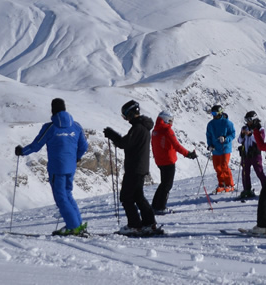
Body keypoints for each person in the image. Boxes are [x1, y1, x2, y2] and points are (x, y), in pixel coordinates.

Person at [15, 98, 89, 236]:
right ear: (65, 109)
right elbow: (84, 146)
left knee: (61, 197)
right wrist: (76, 157)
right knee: (68, 194)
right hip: (71, 167)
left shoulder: (50, 127)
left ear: (52, 110)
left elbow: (36, 145)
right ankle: (77, 225)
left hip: (57, 168)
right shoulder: (76, 126)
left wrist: (22, 151)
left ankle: (73, 227)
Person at [103, 100, 160, 236]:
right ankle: (149, 224)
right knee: (138, 197)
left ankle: (135, 225)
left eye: (125, 115)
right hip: (139, 167)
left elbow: (124, 143)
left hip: (135, 168)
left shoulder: (138, 128)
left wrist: (112, 135)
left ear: (130, 113)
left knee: (126, 197)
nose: (125, 118)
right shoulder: (142, 126)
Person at [150, 109, 198, 214]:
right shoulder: (167, 130)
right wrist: (188, 154)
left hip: (160, 161)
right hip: (168, 160)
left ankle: (155, 206)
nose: (172, 122)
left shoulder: (155, 131)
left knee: (163, 184)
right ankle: (160, 207)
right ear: (166, 120)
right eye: (171, 120)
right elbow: (176, 146)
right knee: (167, 185)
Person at [205, 104, 236, 193]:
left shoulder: (227, 123)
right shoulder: (210, 124)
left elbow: (233, 134)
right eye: (212, 113)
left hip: (225, 148)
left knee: (224, 166)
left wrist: (226, 139)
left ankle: (230, 185)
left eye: (215, 113)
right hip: (215, 149)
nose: (213, 115)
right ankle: (221, 184)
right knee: (217, 167)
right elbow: (208, 136)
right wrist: (210, 145)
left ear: (220, 113)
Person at [238, 111, 266, 200]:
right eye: (246, 120)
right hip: (246, 154)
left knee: (259, 171)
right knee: (245, 173)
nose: (248, 122)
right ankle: (247, 189)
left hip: (255, 154)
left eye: (249, 120)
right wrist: (242, 134)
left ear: (254, 119)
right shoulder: (244, 128)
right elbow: (239, 140)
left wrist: (251, 135)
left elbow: (261, 140)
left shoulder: (259, 128)